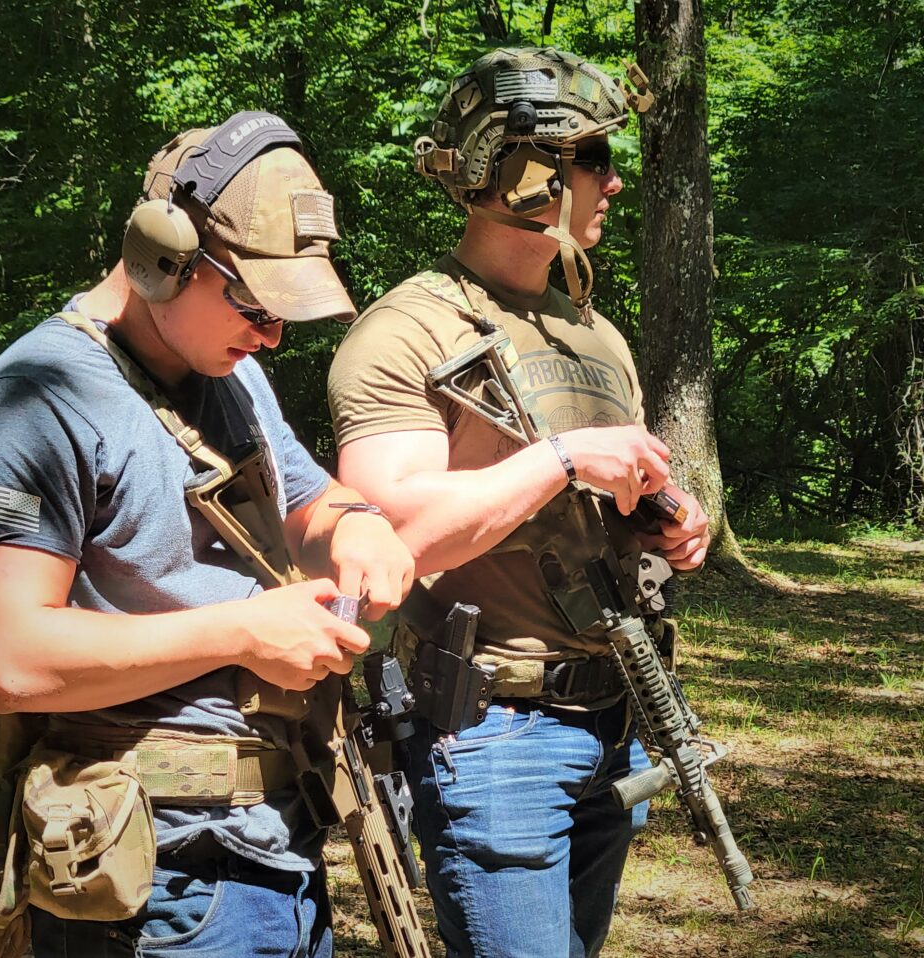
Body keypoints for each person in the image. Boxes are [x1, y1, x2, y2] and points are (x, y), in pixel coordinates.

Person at [0, 111, 414, 958]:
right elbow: (8, 659)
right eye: (252, 303)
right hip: (154, 880)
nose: (270, 334)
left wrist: (361, 527)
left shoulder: (234, 372)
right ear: (162, 256)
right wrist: (243, 631)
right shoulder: (37, 398)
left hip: (278, 842)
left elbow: (307, 497)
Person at [327, 48, 710, 957]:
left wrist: (669, 515)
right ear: (527, 176)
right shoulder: (406, 332)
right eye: (594, 160)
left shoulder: (592, 331)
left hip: (617, 715)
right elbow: (388, 540)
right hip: (497, 735)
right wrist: (563, 456)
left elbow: (600, 499)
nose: (615, 182)